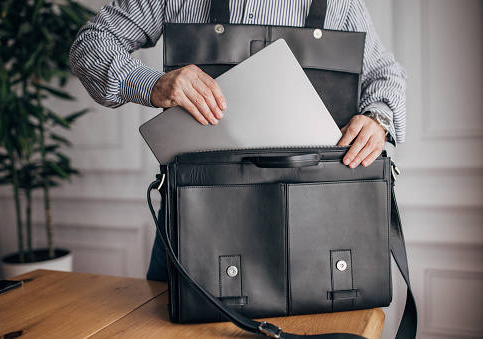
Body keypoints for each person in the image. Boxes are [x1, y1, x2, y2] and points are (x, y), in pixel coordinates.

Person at [70, 0, 406, 281]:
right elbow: (90, 43)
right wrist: (151, 83)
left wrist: (377, 118)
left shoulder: (340, 2)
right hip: (194, 216)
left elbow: (386, 75)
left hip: (314, 221)